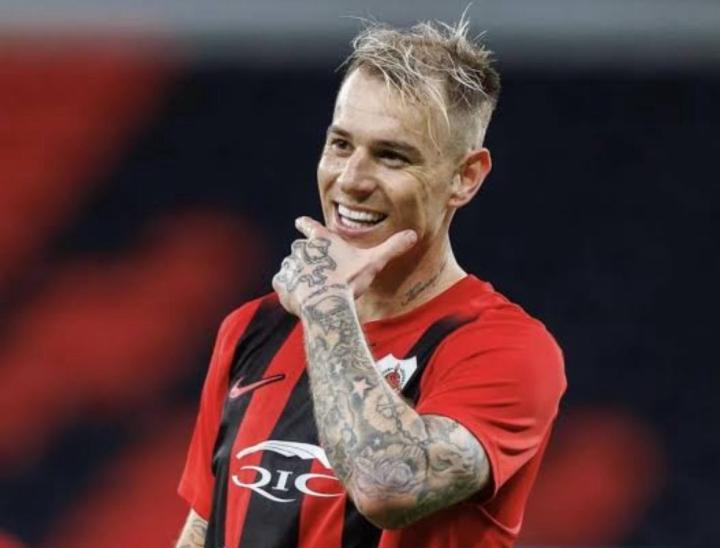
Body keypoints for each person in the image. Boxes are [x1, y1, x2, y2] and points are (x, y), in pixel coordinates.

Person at [176, 17, 566, 548]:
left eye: (391, 156)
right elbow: (204, 526)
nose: (352, 180)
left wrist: (326, 305)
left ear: (465, 177)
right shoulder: (251, 328)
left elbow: (386, 485)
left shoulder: (506, 349)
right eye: (341, 145)